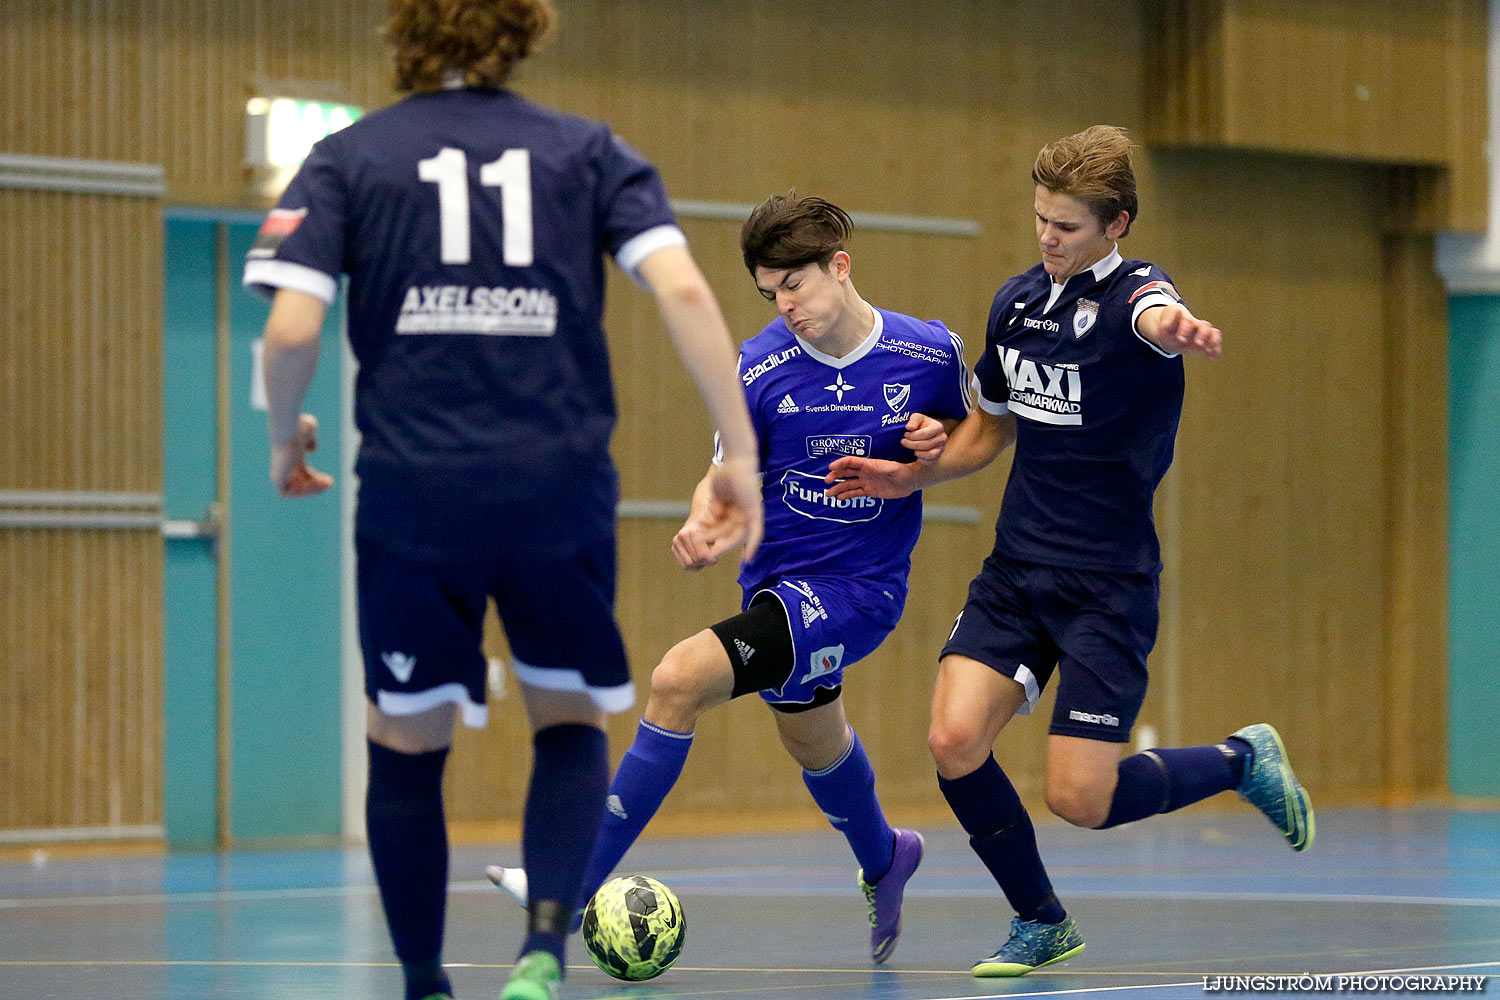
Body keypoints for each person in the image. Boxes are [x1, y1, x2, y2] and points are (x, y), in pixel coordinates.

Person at [242, 2, 763, 998]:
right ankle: (539, 953)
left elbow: (293, 326)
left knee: (406, 739)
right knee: (567, 720)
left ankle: (423, 979)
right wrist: (737, 451)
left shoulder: (347, 158)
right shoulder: (589, 152)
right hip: (555, 488)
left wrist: (283, 435)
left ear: (405, 33)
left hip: (413, 493)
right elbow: (688, 293)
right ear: (526, 31)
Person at [826, 125, 1314, 978]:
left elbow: (1153, 315)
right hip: (1017, 574)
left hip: (1106, 587)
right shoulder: (1016, 303)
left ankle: (1241, 761)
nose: (1049, 237)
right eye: (1042, 218)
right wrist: (908, 477)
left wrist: (1181, 328)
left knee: (1079, 800)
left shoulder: (1138, 299)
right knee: (952, 741)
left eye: (1069, 226)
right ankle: (1041, 921)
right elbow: (990, 429)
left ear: (1115, 224)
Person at [487, 192, 972, 964]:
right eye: (770, 294)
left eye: (796, 286)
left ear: (838, 268)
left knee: (679, 679)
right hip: (775, 586)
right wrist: (701, 521)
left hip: (859, 592)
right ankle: (887, 858)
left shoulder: (929, 353)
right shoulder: (759, 364)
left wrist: (937, 443)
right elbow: (722, 476)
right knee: (814, 741)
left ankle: (571, 882)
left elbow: (981, 435)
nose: (786, 307)